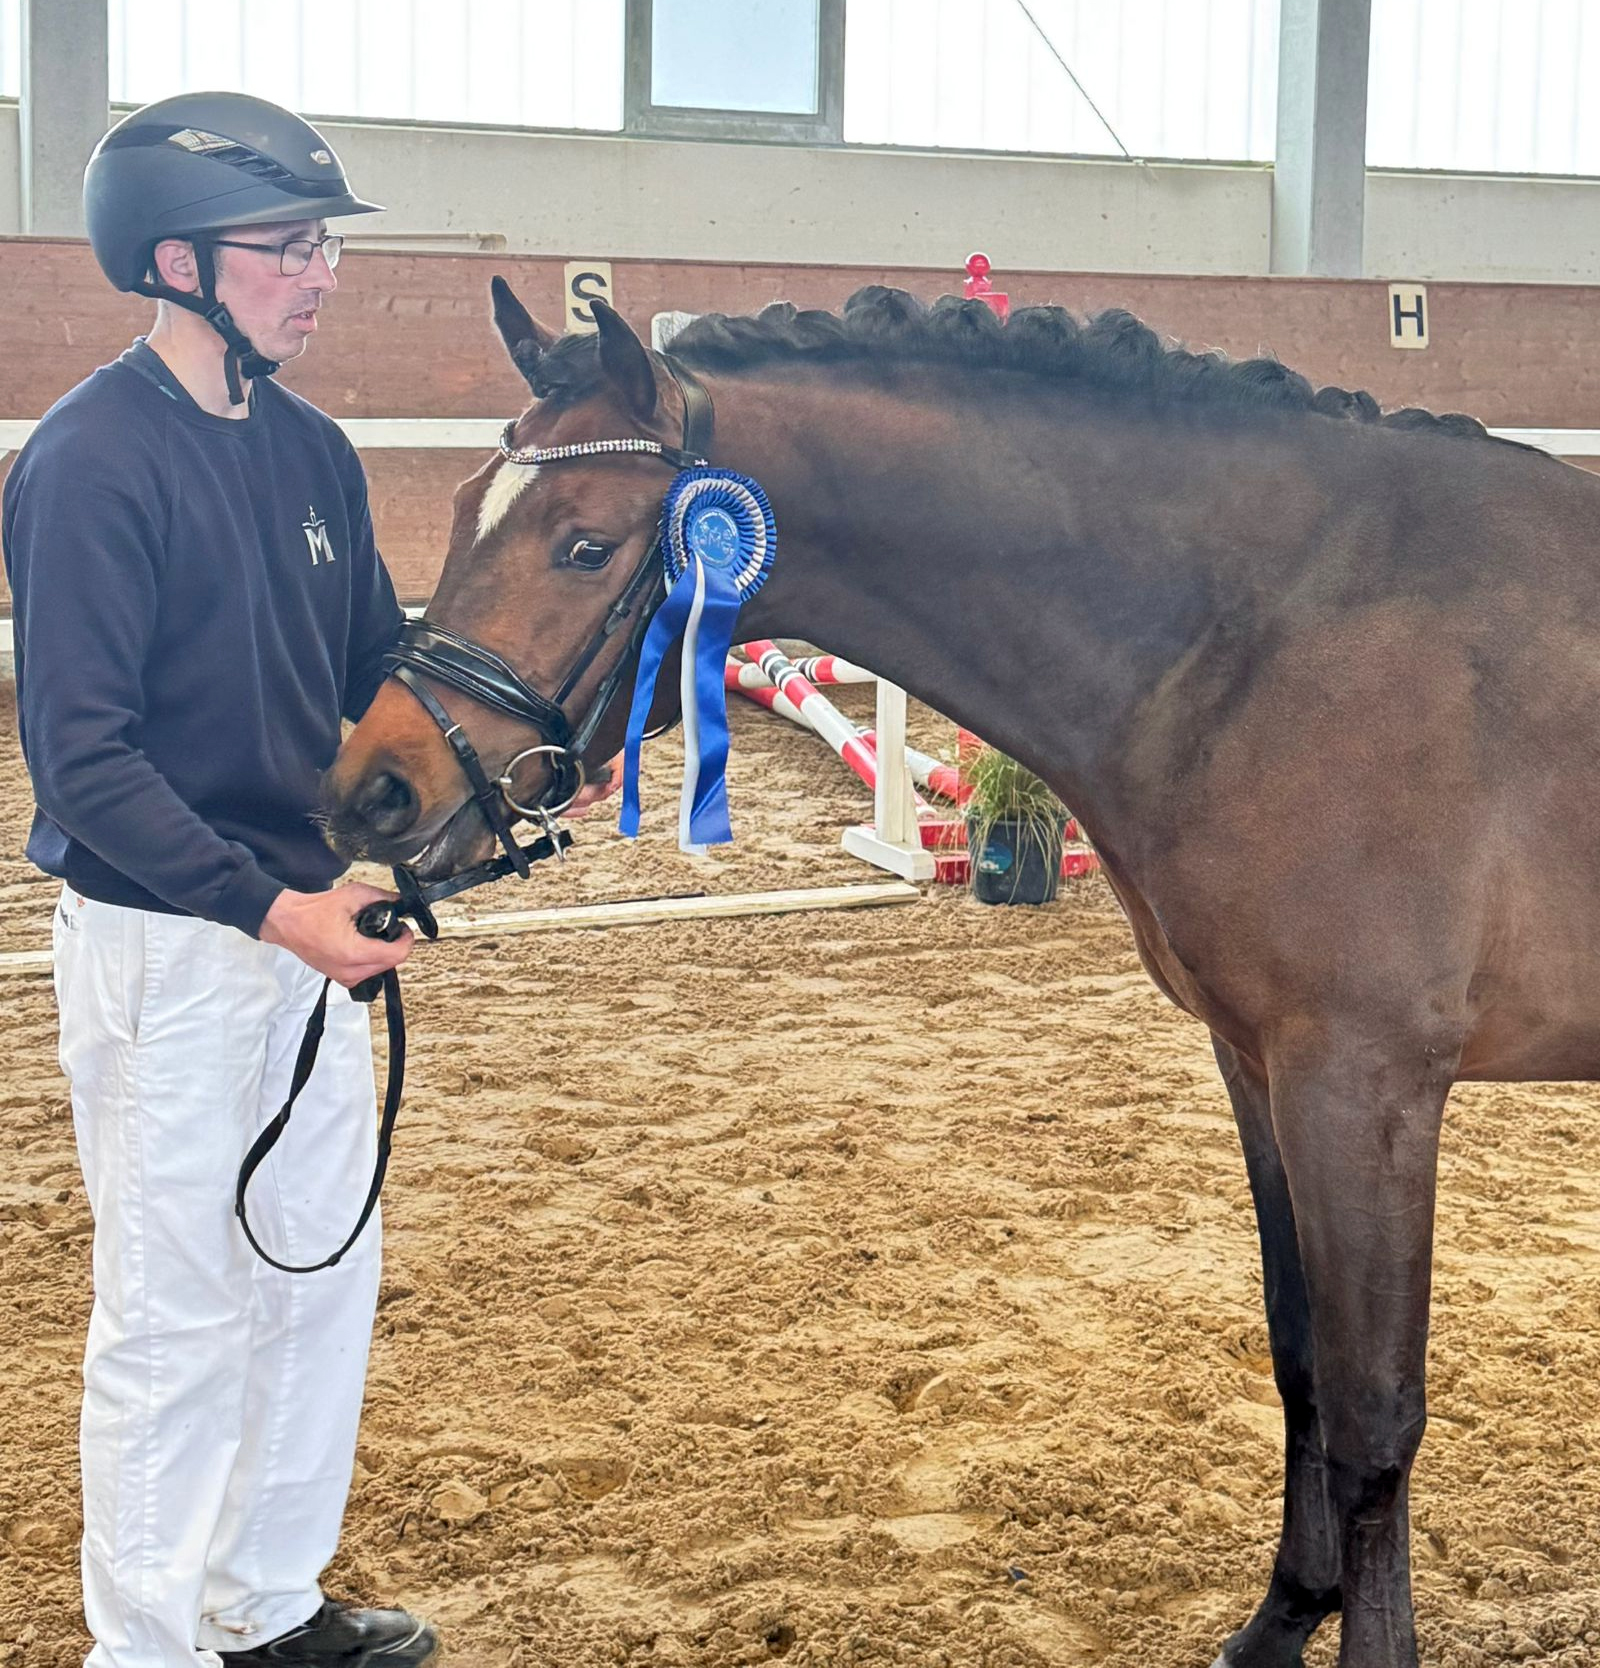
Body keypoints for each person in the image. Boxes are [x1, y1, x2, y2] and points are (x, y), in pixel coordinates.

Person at [2, 92, 434, 1667]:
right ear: (176, 261)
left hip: (307, 934)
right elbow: (85, 762)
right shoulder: (92, 463)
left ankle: (267, 1606)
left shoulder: (314, 454)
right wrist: (273, 909)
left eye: (323, 245)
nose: (321, 274)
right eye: (290, 248)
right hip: (177, 945)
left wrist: (511, 739)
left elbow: (371, 661)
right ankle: (149, 1649)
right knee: (177, 1315)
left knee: (314, 1284)